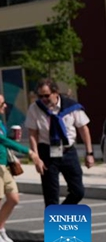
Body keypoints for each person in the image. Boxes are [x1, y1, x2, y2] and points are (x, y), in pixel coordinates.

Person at [0, 91, 44, 242]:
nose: (5, 105)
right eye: (2, 103)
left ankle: (0, 228)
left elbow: (3, 140)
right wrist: (30, 152)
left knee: (13, 199)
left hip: (4, 163)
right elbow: (0, 139)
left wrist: (12, 142)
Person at [26, 78, 94, 207]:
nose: (43, 99)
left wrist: (89, 153)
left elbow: (83, 129)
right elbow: (32, 134)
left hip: (68, 152)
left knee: (78, 191)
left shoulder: (71, 106)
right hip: (47, 153)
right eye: (40, 96)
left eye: (46, 95)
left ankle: (58, 214)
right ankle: (54, 222)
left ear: (55, 92)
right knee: (51, 195)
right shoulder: (34, 108)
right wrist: (36, 158)